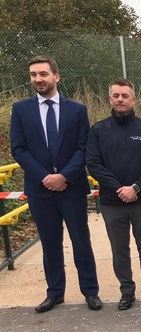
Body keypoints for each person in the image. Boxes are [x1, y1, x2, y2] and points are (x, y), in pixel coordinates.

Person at [10, 55, 102, 312]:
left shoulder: (77, 110)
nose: (38, 79)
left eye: (43, 74)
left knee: (80, 241)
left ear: (56, 77)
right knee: (50, 243)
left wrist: (64, 176)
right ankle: (55, 293)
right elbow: (19, 148)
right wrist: (45, 177)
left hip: (71, 188)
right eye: (33, 75)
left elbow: (84, 148)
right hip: (40, 190)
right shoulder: (21, 109)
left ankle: (90, 292)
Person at [86, 78, 141, 311]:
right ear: (109, 99)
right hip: (112, 202)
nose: (120, 99)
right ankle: (127, 291)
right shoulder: (98, 130)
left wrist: (136, 188)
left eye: (125, 96)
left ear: (134, 99)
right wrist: (118, 188)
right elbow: (93, 164)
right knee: (119, 249)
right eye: (116, 95)